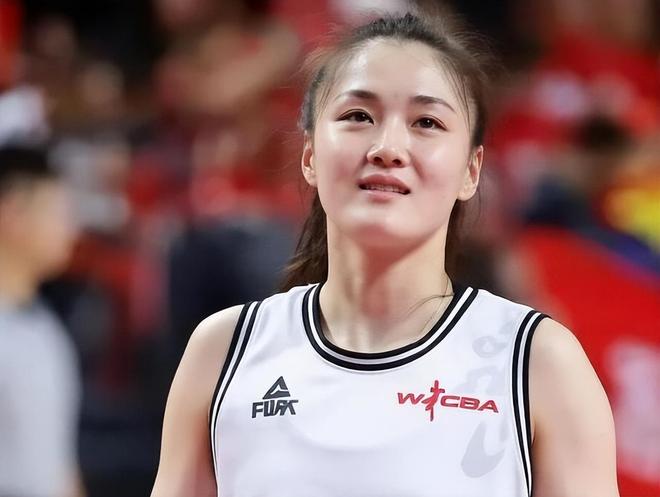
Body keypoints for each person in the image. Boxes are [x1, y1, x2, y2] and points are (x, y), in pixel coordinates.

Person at [151, 12, 619, 497]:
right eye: (358, 116)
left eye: (427, 122)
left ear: (471, 171)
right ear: (309, 155)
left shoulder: (539, 362)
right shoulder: (224, 351)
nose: (388, 147)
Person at [0, 146, 84, 497]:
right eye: (59, 214)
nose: (71, 230)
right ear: (12, 215)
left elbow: (58, 468)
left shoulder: (45, 329)